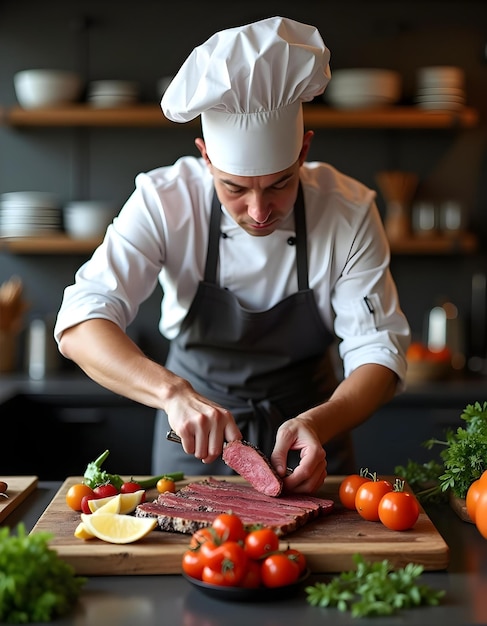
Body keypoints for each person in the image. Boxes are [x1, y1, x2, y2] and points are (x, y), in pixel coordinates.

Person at [54, 16, 410, 494]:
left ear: (303, 150)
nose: (260, 211)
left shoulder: (348, 211)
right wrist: (173, 393)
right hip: (195, 438)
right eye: (235, 188)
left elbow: (379, 354)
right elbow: (81, 322)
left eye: (280, 183)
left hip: (311, 443)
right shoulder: (165, 201)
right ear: (206, 157)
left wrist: (320, 424)